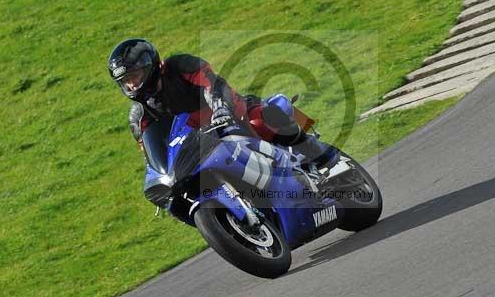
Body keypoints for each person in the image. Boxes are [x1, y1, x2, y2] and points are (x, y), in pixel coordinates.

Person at [107, 38, 334, 207]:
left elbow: (211, 86)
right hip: (201, 149)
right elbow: (151, 153)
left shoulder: (180, 66)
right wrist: (160, 179)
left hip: (234, 116)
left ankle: (325, 158)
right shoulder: (139, 117)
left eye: (134, 77)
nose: (132, 85)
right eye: (125, 82)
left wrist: (220, 110)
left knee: (263, 119)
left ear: (150, 66)